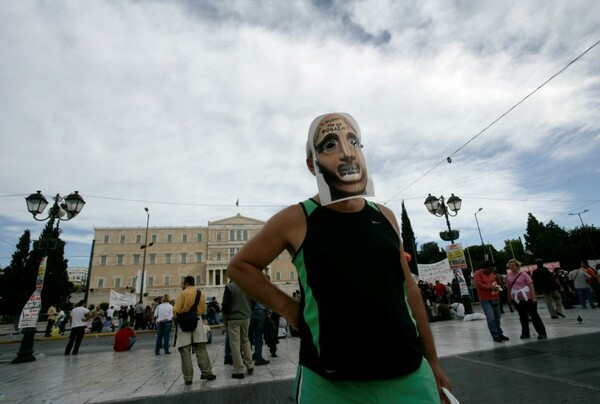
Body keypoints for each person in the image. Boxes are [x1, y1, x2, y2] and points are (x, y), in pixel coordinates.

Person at [226, 113, 450, 403]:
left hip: (409, 374)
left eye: (354, 141)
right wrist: (289, 310)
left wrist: (432, 361)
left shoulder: (385, 216)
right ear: (312, 164)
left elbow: (408, 288)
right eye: (329, 145)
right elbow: (240, 266)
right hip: (329, 384)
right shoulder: (296, 219)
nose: (346, 152)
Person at [173, 276, 216, 385]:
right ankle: (207, 372)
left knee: (185, 350)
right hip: (197, 320)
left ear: (186, 283)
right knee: (201, 347)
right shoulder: (200, 294)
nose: (182, 285)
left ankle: (188, 378)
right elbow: (203, 309)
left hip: (184, 322)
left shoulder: (183, 294)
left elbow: (176, 310)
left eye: (183, 283)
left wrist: (177, 315)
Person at [506, 259, 547, 340]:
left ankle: (542, 333)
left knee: (534, 315)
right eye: (510, 265)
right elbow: (509, 287)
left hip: (527, 297)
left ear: (517, 266)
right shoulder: (509, 276)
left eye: (513, 265)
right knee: (522, 316)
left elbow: (530, 285)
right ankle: (525, 333)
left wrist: (533, 297)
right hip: (517, 298)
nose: (511, 267)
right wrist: (509, 297)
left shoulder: (523, 274)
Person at [222, 280, 255, 379]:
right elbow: (254, 301)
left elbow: (225, 306)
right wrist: (248, 311)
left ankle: (239, 370)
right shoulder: (247, 285)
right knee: (245, 340)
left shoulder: (230, 287)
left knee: (235, 343)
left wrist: (225, 320)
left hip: (233, 319)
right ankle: (250, 365)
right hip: (246, 317)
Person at [474, 261, 509, 342]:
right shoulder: (477, 274)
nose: (491, 271)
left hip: (495, 297)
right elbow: (479, 284)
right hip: (485, 299)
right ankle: (495, 335)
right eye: (490, 269)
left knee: (497, 317)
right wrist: (490, 287)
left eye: (492, 269)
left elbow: (494, 282)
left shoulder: (492, 274)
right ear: (485, 267)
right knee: (491, 318)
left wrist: (498, 282)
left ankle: (500, 333)